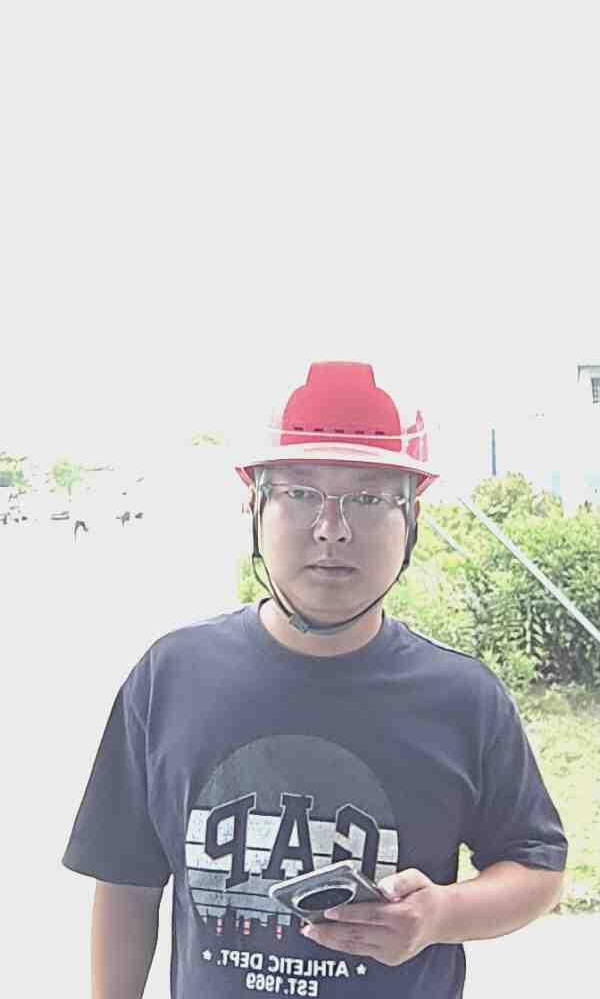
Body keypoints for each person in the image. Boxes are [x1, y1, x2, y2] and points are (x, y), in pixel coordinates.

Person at [61, 361, 567, 999]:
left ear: (412, 518)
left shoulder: (464, 699)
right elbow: (125, 883)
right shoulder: (171, 678)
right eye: (300, 494)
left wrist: (440, 915)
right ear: (255, 506)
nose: (332, 528)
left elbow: (537, 867)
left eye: (369, 498)